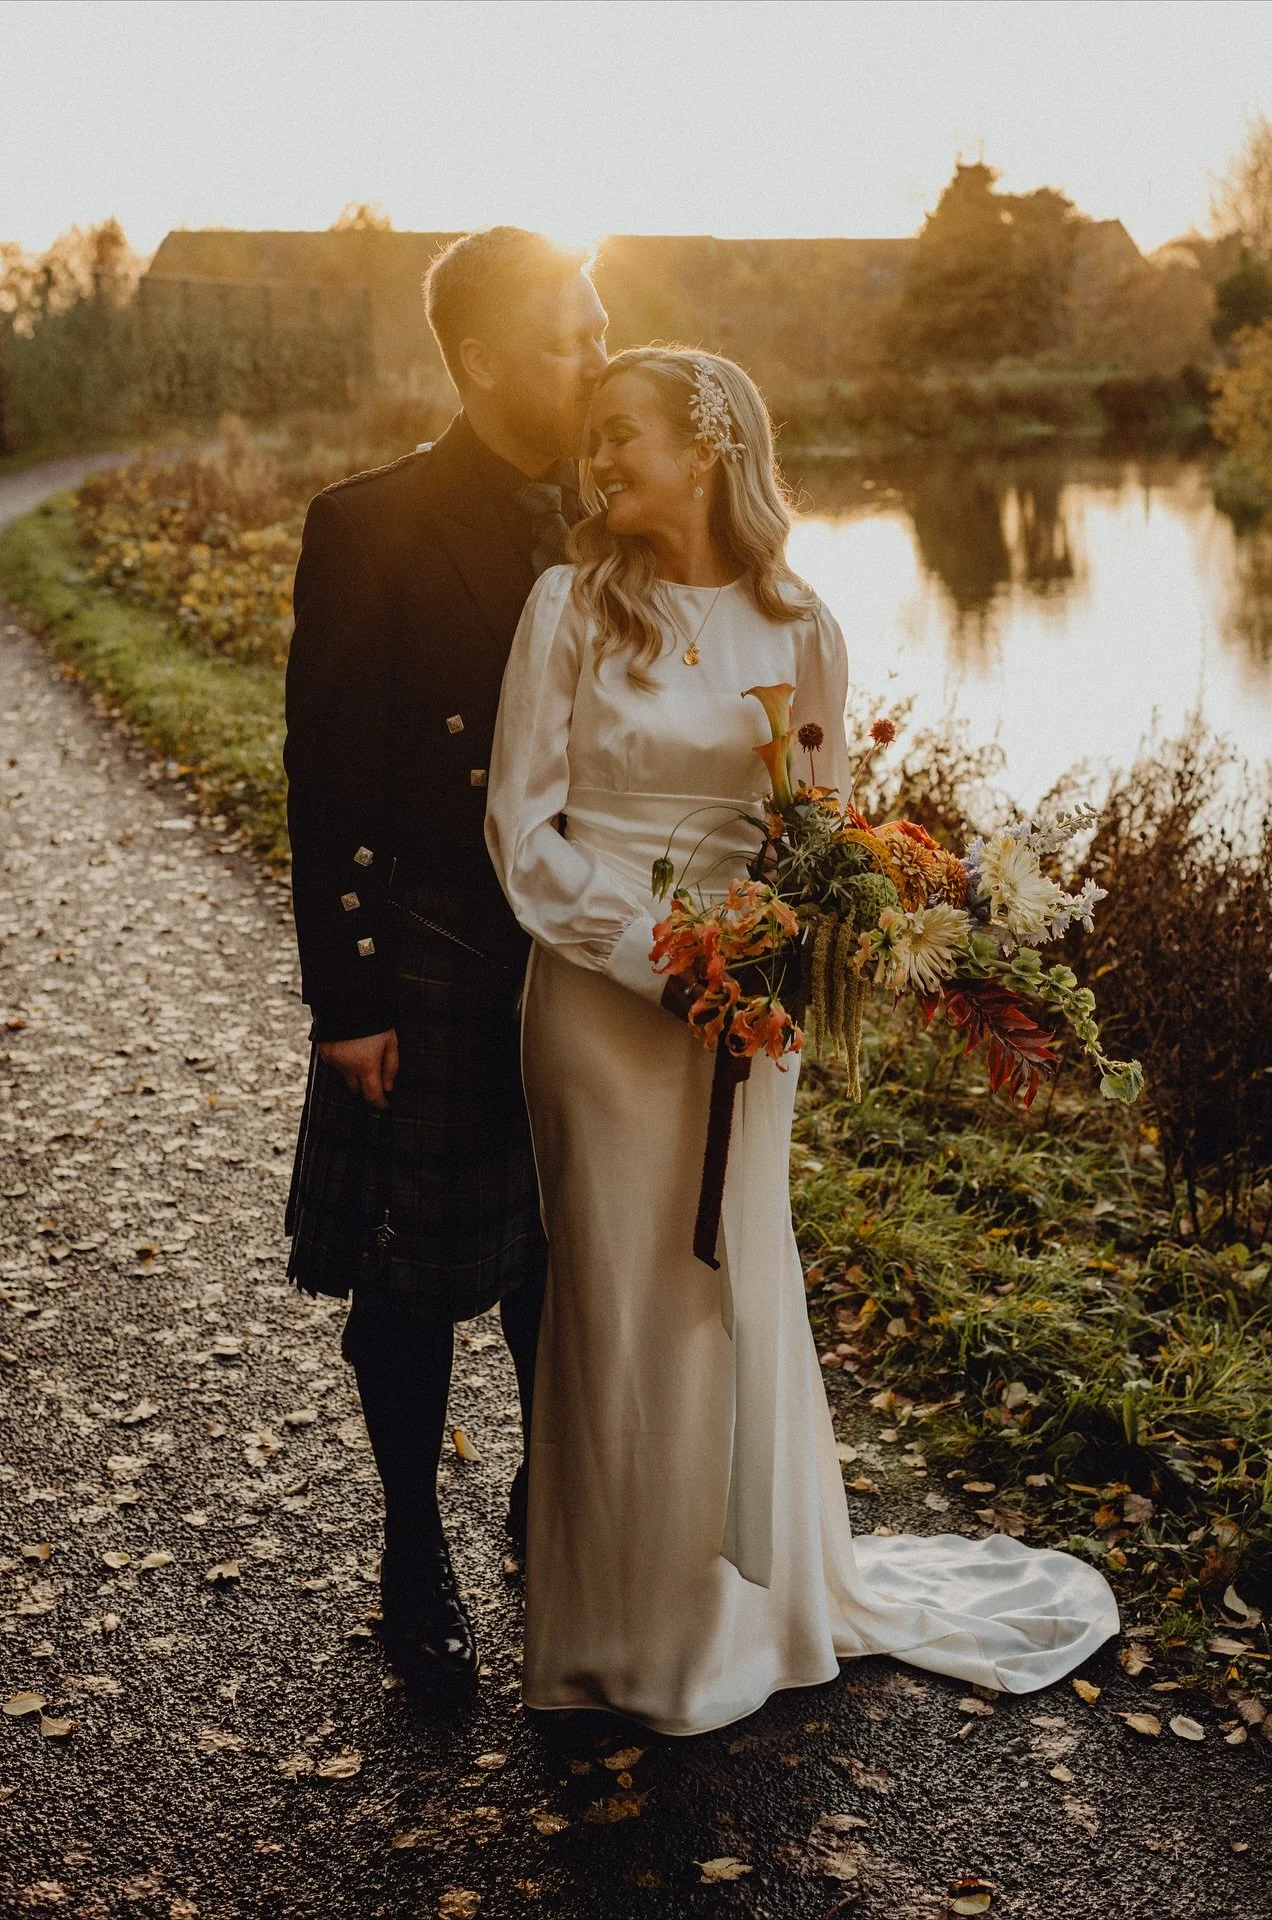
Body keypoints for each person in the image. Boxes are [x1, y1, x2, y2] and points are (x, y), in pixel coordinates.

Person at [485, 346, 1119, 1735]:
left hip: (749, 1025)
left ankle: (744, 1613)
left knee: (733, 1289)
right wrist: (663, 961)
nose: (598, 465)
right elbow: (521, 834)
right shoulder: (570, 608)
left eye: (621, 438)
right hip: (604, 1009)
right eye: (594, 442)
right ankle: (612, 1640)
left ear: (709, 445)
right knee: (612, 1304)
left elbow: (823, 835)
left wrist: (786, 955)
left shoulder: (806, 622)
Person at [283, 227, 608, 1704]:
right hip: (438, 946)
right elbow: (329, 769)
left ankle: (549, 1508)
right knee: (417, 1281)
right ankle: (413, 1547)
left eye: (603, 331)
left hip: (594, 962)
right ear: (479, 360)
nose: (596, 358)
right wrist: (347, 1000)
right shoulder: (375, 525)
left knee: (563, 1260)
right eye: (566, 339)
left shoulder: (626, 513)